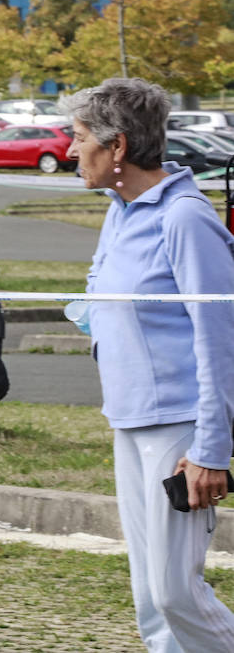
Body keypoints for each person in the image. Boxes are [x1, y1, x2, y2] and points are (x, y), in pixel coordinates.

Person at [65, 77, 234, 651]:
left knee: (174, 595)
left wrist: (211, 449)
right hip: (129, 420)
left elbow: (220, 341)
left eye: (79, 136)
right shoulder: (120, 211)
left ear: (117, 148)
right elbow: (96, 292)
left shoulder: (185, 218)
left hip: (180, 428)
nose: (70, 149)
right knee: (150, 601)